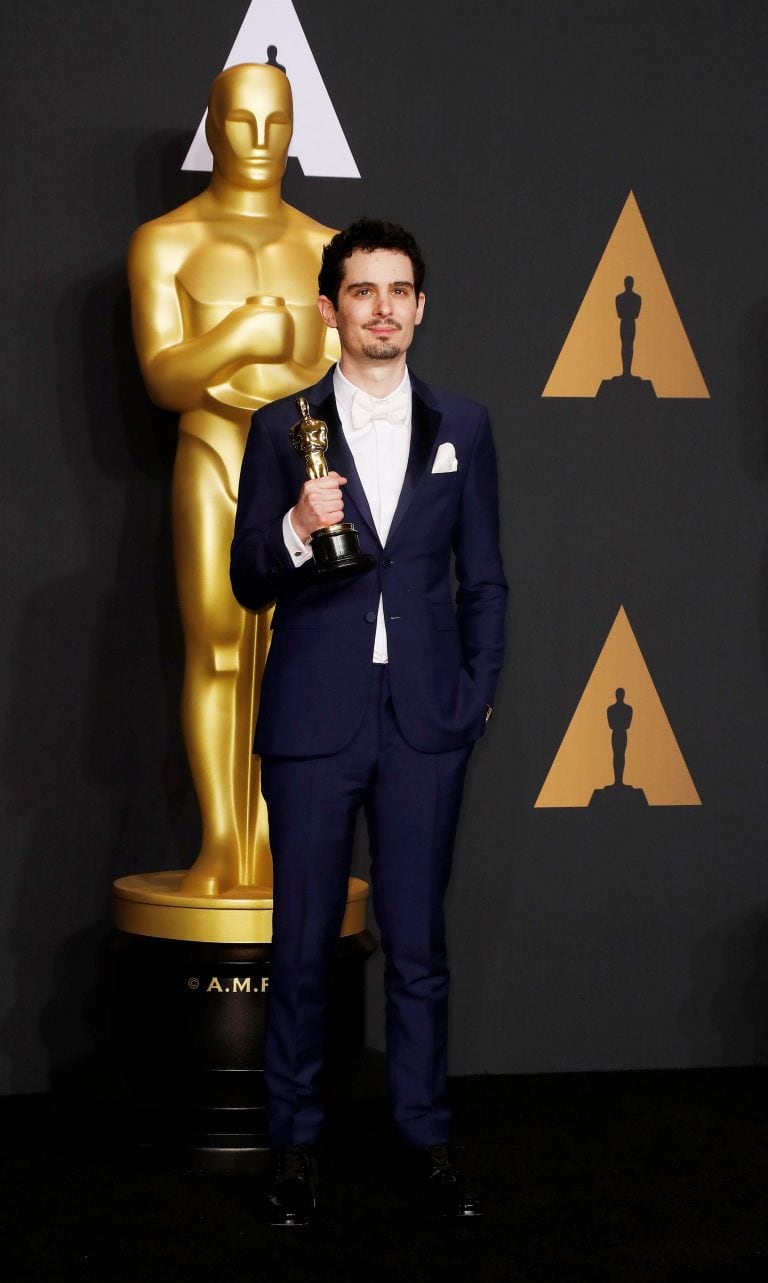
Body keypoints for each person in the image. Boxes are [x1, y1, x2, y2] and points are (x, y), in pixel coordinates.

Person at [230, 219, 507, 1225]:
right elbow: (244, 576)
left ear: (420, 306)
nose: (383, 308)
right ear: (328, 307)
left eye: (399, 290)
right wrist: (298, 532)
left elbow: (485, 576)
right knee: (301, 942)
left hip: (426, 720)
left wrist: (475, 691)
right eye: (363, 291)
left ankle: (426, 1142)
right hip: (314, 719)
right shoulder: (281, 428)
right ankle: (292, 1149)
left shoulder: (463, 426)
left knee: (419, 942)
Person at [127, 63, 338, 896]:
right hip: (212, 453)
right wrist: (249, 334)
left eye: (275, 121)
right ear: (212, 125)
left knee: (297, 653)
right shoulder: (166, 242)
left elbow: (337, 377)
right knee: (218, 650)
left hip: (300, 469)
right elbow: (165, 375)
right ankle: (224, 843)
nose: (258, 140)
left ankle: (278, 840)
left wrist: (247, 355)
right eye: (241, 120)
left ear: (294, 129)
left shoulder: (324, 248)